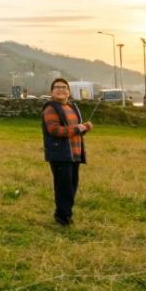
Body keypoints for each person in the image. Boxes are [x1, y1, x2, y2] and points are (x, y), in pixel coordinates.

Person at [41, 77, 92, 227]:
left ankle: (65, 215)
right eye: (57, 87)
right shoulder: (50, 108)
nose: (61, 89)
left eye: (64, 87)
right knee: (64, 188)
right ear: (52, 92)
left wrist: (85, 128)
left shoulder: (72, 108)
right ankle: (63, 218)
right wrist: (79, 128)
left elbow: (75, 132)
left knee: (71, 186)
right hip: (60, 155)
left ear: (69, 92)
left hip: (74, 154)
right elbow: (55, 130)